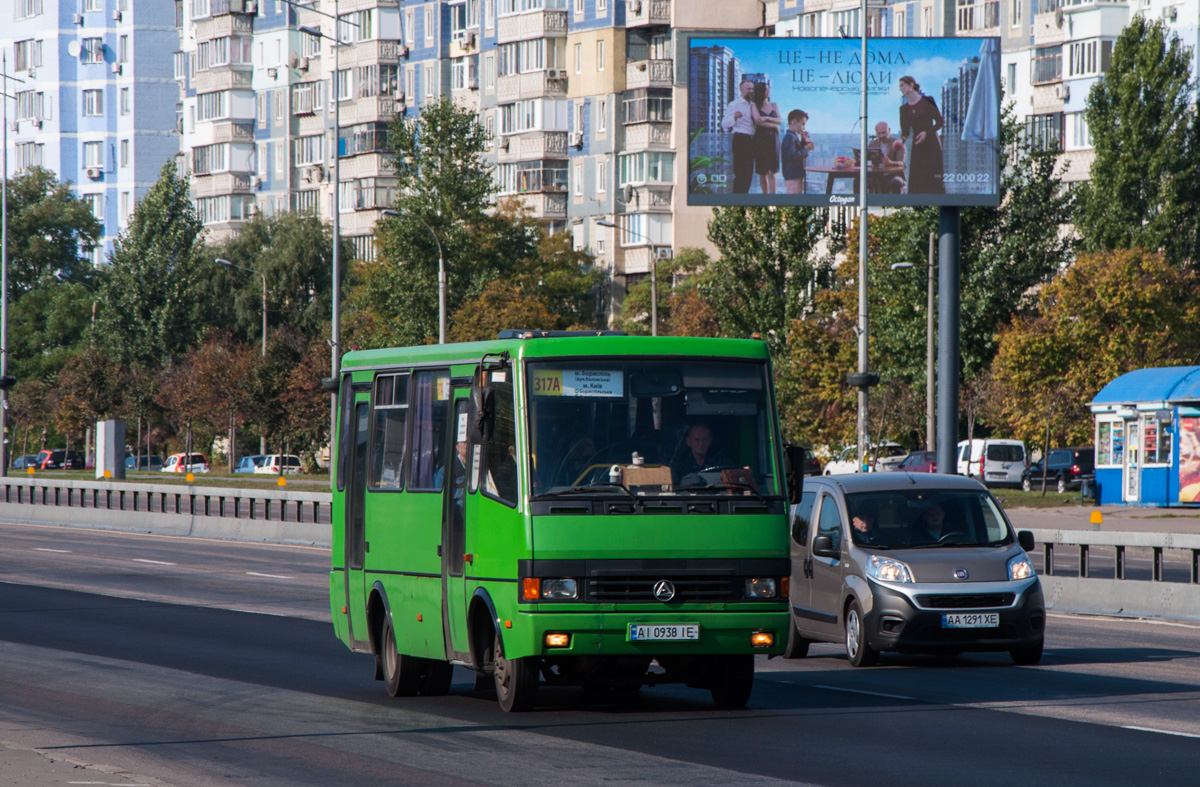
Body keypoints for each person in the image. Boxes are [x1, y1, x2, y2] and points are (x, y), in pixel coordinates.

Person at [898, 76, 945, 195]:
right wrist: (899, 142)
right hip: (918, 147)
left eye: (902, 85)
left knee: (934, 182)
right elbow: (905, 133)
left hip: (932, 145)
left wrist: (926, 133)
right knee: (917, 184)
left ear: (911, 84)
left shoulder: (928, 100)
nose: (900, 89)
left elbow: (940, 122)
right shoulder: (903, 109)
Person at [720, 79, 757, 194]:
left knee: (748, 175)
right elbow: (724, 124)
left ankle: (744, 198)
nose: (751, 91)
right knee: (740, 174)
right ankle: (737, 199)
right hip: (740, 140)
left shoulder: (753, 105)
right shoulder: (734, 104)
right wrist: (734, 118)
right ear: (741, 90)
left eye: (752, 89)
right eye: (748, 89)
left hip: (752, 141)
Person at [751, 82, 781, 195]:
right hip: (760, 140)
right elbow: (758, 121)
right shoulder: (754, 106)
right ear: (762, 92)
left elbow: (780, 120)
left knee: (772, 171)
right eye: (767, 90)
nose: (769, 91)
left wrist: (767, 118)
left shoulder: (774, 105)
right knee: (762, 172)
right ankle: (765, 196)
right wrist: (773, 126)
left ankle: (774, 197)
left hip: (773, 140)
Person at [780, 109, 815, 194]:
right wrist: (805, 149)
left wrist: (803, 141)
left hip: (795, 175)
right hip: (792, 176)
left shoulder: (793, 136)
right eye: (803, 124)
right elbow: (792, 156)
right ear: (794, 122)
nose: (804, 127)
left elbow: (796, 153)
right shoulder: (790, 137)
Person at [868, 121, 906, 194]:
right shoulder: (872, 144)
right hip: (876, 176)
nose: (881, 136)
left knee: (897, 182)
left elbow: (902, 163)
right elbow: (867, 158)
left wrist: (891, 163)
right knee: (858, 181)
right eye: (879, 133)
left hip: (892, 176)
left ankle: (897, 204)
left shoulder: (897, 143)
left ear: (889, 130)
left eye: (883, 132)